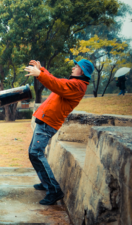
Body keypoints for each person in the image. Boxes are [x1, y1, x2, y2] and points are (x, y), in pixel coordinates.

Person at [24, 59, 94, 205]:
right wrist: (41, 70)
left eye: (76, 66)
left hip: (48, 123)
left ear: (82, 70)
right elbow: (56, 81)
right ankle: (46, 183)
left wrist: (40, 74)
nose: (73, 68)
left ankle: (54, 191)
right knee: (33, 153)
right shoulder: (73, 83)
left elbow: (56, 84)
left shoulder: (78, 86)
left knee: (36, 154)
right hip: (44, 120)